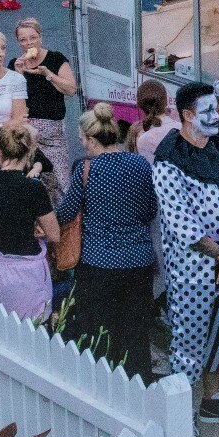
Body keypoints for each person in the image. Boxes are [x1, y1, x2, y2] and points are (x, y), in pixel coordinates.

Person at [153, 82, 219, 423]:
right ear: (187, 115)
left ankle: (211, 402)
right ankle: (184, 416)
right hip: (194, 268)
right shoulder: (168, 161)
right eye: (207, 110)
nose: (216, 116)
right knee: (189, 340)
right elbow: (181, 222)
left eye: (217, 109)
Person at [56, 103, 158, 376]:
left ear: (91, 139)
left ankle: (106, 384)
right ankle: (140, 383)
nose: (82, 146)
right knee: (136, 329)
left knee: (99, 329)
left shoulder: (87, 171)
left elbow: (66, 212)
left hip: (98, 261)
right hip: (139, 260)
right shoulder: (140, 164)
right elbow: (151, 209)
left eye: (82, 140)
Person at [0, 126, 59, 319]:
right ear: (29, 153)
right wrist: (38, 230)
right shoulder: (33, 188)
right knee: (32, 330)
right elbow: (54, 234)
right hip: (24, 270)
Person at [9, 18, 75, 199]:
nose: (29, 43)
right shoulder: (16, 64)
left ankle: (64, 223)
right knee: (32, 185)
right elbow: (11, 100)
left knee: (60, 183)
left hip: (53, 134)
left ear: (40, 37)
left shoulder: (55, 59)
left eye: (33, 37)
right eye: (23, 40)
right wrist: (17, 74)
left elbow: (71, 89)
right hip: (26, 133)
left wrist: (48, 74)